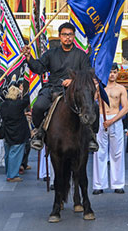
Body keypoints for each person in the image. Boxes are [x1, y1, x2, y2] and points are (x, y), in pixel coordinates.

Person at [23, 22, 96, 152]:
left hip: (75, 91)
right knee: (39, 106)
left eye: (70, 35)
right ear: (59, 36)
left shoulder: (81, 55)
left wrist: (73, 80)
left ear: (74, 36)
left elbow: (86, 73)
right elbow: (39, 68)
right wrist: (29, 58)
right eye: (64, 35)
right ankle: (39, 133)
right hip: (53, 88)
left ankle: (91, 135)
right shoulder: (51, 53)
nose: (67, 37)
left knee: (93, 106)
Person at [93, 65, 128, 195]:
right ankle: (99, 184)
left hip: (116, 119)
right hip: (102, 119)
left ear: (117, 73)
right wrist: (96, 90)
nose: (112, 75)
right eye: (110, 72)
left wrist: (112, 120)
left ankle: (118, 184)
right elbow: (92, 102)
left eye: (114, 72)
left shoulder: (121, 89)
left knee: (117, 153)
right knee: (99, 152)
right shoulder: (100, 88)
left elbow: (125, 108)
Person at [0, 85, 30, 182]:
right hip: (18, 133)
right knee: (15, 154)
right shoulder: (18, 104)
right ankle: (12, 175)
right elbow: (27, 99)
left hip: (7, 131)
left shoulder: (3, 105)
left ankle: (9, 172)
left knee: (8, 154)